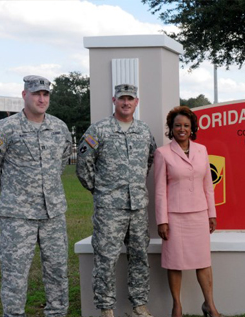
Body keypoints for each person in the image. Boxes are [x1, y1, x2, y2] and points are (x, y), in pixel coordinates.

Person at [0, 75, 72, 316]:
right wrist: (15, 192)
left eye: (45, 94)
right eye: (36, 94)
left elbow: (61, 162)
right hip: (17, 216)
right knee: (15, 274)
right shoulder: (5, 128)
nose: (41, 98)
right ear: (25, 95)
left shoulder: (59, 127)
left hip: (52, 214)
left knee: (57, 271)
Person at [76, 84, 157, 317]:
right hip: (109, 209)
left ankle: (140, 305)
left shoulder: (143, 131)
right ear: (114, 100)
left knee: (140, 257)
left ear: (136, 102)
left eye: (130, 99)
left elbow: (149, 161)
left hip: (138, 208)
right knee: (105, 259)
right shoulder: (98, 130)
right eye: (122, 99)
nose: (126, 103)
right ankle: (106, 308)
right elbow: (83, 166)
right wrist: (100, 190)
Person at [153, 106, 221, 317]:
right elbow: (160, 190)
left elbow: (208, 185)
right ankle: (177, 307)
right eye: (177, 125)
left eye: (186, 125)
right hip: (174, 218)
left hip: (199, 215)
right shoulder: (162, 153)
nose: (182, 129)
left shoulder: (202, 150)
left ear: (192, 128)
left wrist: (212, 214)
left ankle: (209, 305)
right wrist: (162, 221)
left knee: (203, 262)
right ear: (171, 129)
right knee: (175, 262)